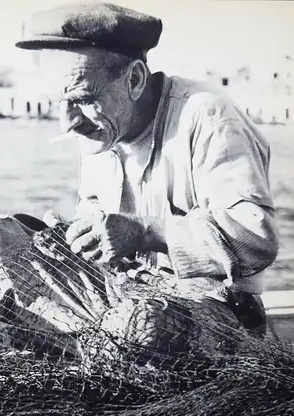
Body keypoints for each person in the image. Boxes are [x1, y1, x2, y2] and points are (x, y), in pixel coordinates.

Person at [15, 2, 279, 331]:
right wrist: (77, 235)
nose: (68, 123)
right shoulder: (98, 130)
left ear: (135, 79)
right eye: (59, 101)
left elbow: (255, 239)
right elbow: (99, 221)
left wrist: (143, 232)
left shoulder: (208, 116)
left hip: (221, 314)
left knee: (140, 328)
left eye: (81, 99)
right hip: (129, 296)